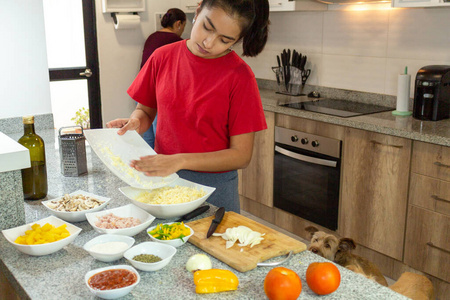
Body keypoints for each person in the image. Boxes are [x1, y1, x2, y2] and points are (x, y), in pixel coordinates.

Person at [107, 0, 270, 213]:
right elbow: (145, 111)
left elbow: (241, 155)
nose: (209, 42)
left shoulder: (240, 77)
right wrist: (136, 122)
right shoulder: (162, 57)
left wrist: (180, 160)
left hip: (215, 190)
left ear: (237, 40)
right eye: (207, 27)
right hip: (165, 180)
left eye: (225, 40)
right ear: (198, 10)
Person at [140, 8, 187, 148]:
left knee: (147, 139)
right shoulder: (177, 41)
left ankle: (146, 168)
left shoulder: (152, 37)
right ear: (178, 24)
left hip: (143, 89)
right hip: (161, 93)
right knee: (160, 139)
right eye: (184, 26)